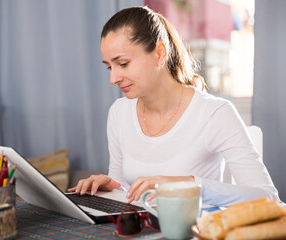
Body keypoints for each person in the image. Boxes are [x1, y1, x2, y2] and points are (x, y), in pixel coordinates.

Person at [68, 6, 279, 207]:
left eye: (123, 64)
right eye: (109, 67)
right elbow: (126, 189)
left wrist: (187, 184)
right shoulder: (119, 112)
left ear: (160, 53)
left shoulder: (215, 113)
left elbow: (268, 197)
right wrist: (110, 186)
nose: (113, 78)